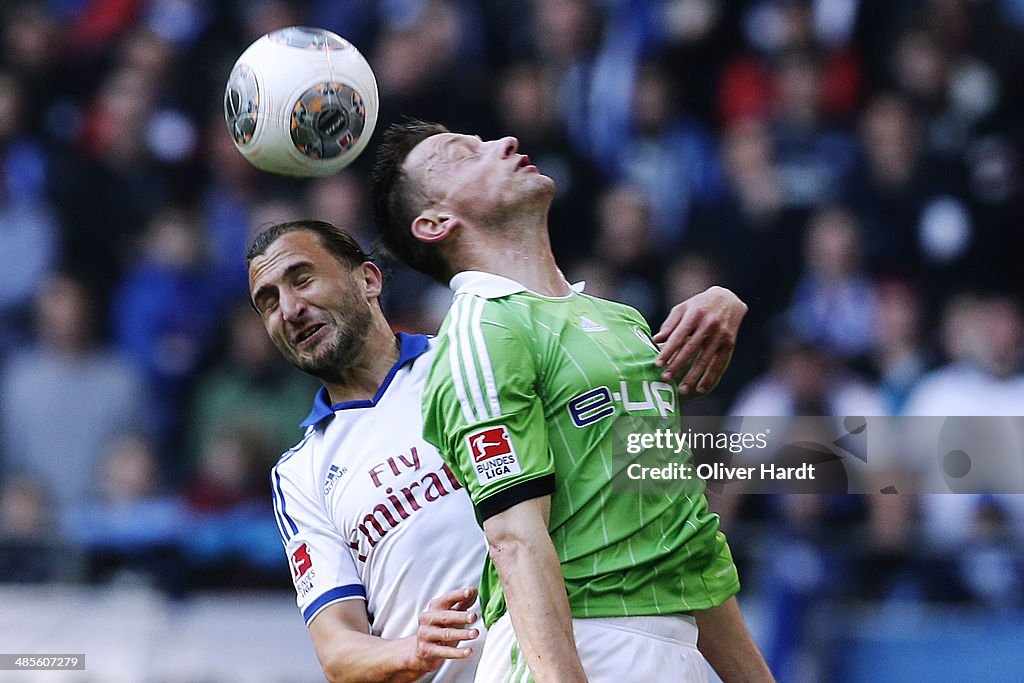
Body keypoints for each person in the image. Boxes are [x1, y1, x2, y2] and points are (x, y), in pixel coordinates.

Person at [246, 219, 752, 681]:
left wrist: (719, 303)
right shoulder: (300, 472)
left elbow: (659, 514)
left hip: (584, 660)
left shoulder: (483, 358)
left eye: (303, 279)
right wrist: (410, 649)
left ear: (369, 280)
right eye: (268, 301)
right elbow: (337, 648)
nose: (289, 310)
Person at [369, 120, 774, 682]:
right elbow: (514, 539)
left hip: (671, 652)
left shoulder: (623, 322)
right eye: (462, 155)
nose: (502, 143)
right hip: (581, 645)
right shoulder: (484, 331)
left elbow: (684, 540)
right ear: (435, 223)